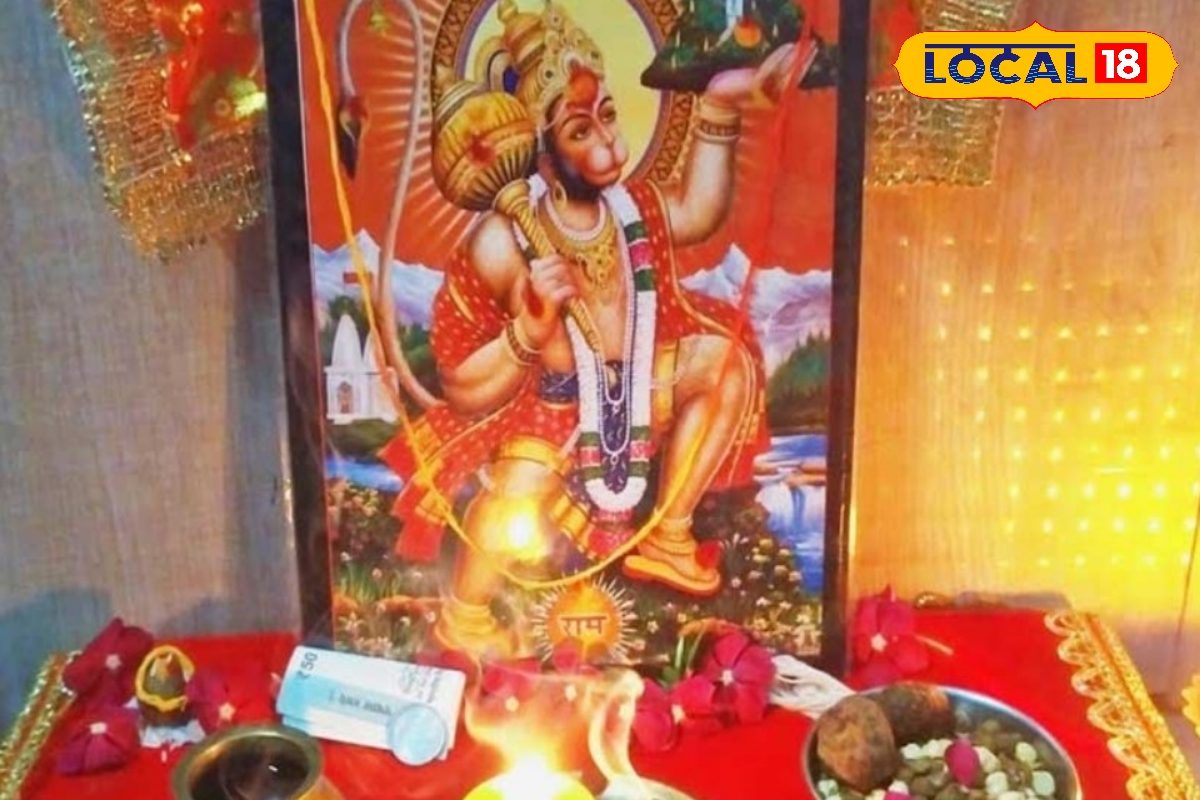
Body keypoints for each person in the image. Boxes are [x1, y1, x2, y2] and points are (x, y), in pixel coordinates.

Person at [381, 0, 798, 658]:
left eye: (607, 115)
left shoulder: (632, 209)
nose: (607, 142)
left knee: (724, 364)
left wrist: (720, 102)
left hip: (637, 386)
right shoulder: (503, 241)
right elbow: (461, 382)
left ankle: (669, 535)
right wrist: (526, 329)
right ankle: (466, 616)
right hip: (546, 411)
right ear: (540, 150)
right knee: (511, 501)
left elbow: (699, 210)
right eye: (580, 130)